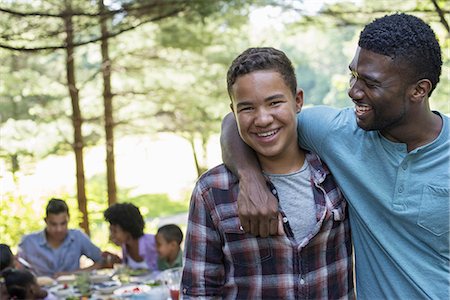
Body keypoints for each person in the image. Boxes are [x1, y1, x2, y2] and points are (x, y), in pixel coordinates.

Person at [221, 13, 449, 299]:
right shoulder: (338, 133)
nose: (353, 91)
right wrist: (250, 178)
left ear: (419, 90)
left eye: (371, 83)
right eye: (353, 75)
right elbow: (236, 121)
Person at [182, 47, 354, 299]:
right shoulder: (212, 190)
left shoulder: (336, 171)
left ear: (298, 101)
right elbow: (199, 290)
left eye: (274, 103)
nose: (262, 119)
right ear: (233, 111)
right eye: (247, 108)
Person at [17, 198, 104, 277]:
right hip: (40, 292)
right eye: (54, 224)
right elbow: (16, 269)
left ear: (68, 219)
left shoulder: (78, 237)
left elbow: (101, 261)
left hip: (72, 290)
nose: (59, 229)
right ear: (46, 221)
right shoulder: (29, 242)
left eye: (63, 223)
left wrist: (72, 274)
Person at [104, 202, 158, 271]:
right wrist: (118, 261)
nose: (111, 236)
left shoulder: (153, 243)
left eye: (115, 231)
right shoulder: (125, 247)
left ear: (128, 229)